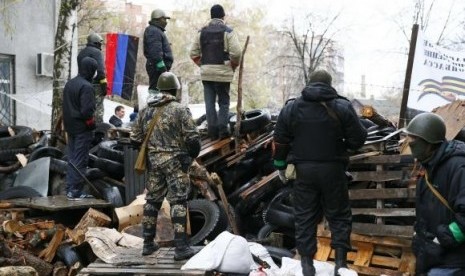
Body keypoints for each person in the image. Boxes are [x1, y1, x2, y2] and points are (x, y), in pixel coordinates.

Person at [272, 70, 367, 276]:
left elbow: (279, 140)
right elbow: (358, 139)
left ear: (310, 83)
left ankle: (307, 266)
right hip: (333, 170)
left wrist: (280, 165)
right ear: (329, 84)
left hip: (303, 172)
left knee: (304, 217)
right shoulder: (342, 106)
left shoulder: (292, 107)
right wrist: (344, 146)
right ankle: (341, 265)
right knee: (339, 216)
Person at [130, 72, 201, 260]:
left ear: (160, 89)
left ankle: (147, 244)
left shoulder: (146, 111)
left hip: (154, 164)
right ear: (174, 90)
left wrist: (152, 150)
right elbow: (193, 138)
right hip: (175, 163)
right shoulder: (180, 109)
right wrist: (190, 156)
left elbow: (134, 138)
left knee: (152, 201)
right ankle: (181, 248)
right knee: (178, 202)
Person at [404, 112, 465, 275]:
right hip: (432, 257)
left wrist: (440, 240)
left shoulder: (458, 167)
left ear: (429, 142)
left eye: (413, 139)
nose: (409, 143)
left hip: (452, 262)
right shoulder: (429, 165)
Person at [189, 4, 242, 140]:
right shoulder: (228, 31)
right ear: (223, 16)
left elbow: (193, 53)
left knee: (209, 103)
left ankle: (212, 133)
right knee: (223, 103)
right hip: (223, 73)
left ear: (211, 16)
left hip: (207, 73)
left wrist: (203, 64)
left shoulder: (201, 32)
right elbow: (236, 52)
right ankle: (223, 132)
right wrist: (232, 65)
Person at [62, 57, 98, 200]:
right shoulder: (87, 87)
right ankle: (75, 191)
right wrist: (92, 125)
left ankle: (70, 189)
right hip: (82, 129)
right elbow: (87, 112)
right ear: (90, 70)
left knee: (72, 158)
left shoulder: (70, 84)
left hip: (70, 128)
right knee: (80, 160)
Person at [77, 33, 107, 123]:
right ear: (96, 42)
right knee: (98, 108)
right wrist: (104, 85)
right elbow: (101, 71)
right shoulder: (97, 52)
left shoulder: (81, 53)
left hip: (82, 85)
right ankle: (97, 130)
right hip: (95, 85)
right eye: (100, 43)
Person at [143, 9, 173, 93]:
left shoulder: (156, 31)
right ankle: (152, 106)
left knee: (159, 92)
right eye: (164, 19)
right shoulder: (154, 31)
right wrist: (162, 69)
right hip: (156, 68)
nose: (166, 22)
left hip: (157, 68)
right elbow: (155, 53)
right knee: (155, 92)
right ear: (158, 18)